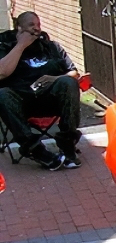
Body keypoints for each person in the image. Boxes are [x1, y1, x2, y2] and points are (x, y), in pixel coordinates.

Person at [0, 12, 82, 169]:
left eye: (38, 25)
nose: (36, 29)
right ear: (19, 28)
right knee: (2, 94)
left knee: (68, 82)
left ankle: (67, 144)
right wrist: (21, 45)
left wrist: (54, 79)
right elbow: (2, 72)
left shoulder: (51, 47)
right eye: (31, 25)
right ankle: (36, 151)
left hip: (51, 100)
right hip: (22, 104)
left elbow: (74, 73)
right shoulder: (6, 47)